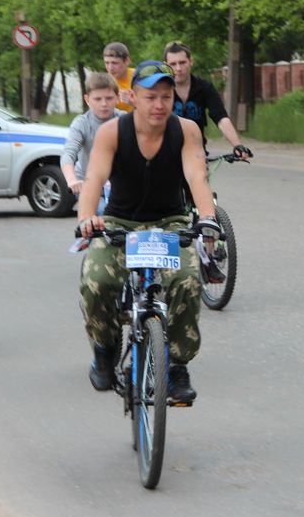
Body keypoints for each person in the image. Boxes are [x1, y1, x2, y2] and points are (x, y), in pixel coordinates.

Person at [77, 60, 221, 403]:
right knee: (96, 281)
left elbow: (197, 176)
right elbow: (94, 178)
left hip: (169, 222)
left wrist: (207, 218)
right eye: (151, 96)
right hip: (118, 223)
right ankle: (105, 346)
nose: (159, 104)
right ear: (133, 97)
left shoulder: (186, 130)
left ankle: (176, 367)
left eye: (166, 97)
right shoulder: (112, 132)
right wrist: (87, 218)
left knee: (186, 281)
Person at [162, 41, 252, 159]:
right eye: (173, 64)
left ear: (191, 61)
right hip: (166, 155)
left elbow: (220, 117)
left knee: (200, 177)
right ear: (166, 65)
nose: (178, 68)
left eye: (182, 62)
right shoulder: (160, 90)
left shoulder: (204, 87)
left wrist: (237, 145)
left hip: (197, 154)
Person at [60, 72, 123, 202]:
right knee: (103, 214)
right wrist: (72, 180)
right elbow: (68, 154)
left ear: (118, 97)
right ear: (87, 100)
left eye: (109, 98)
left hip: (118, 186)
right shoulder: (81, 123)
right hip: (88, 185)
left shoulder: (125, 119)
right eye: (98, 99)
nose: (104, 104)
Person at [103, 42, 135, 112]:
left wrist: (134, 102)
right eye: (107, 63)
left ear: (127, 61)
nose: (110, 68)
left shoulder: (139, 77)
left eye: (114, 63)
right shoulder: (104, 84)